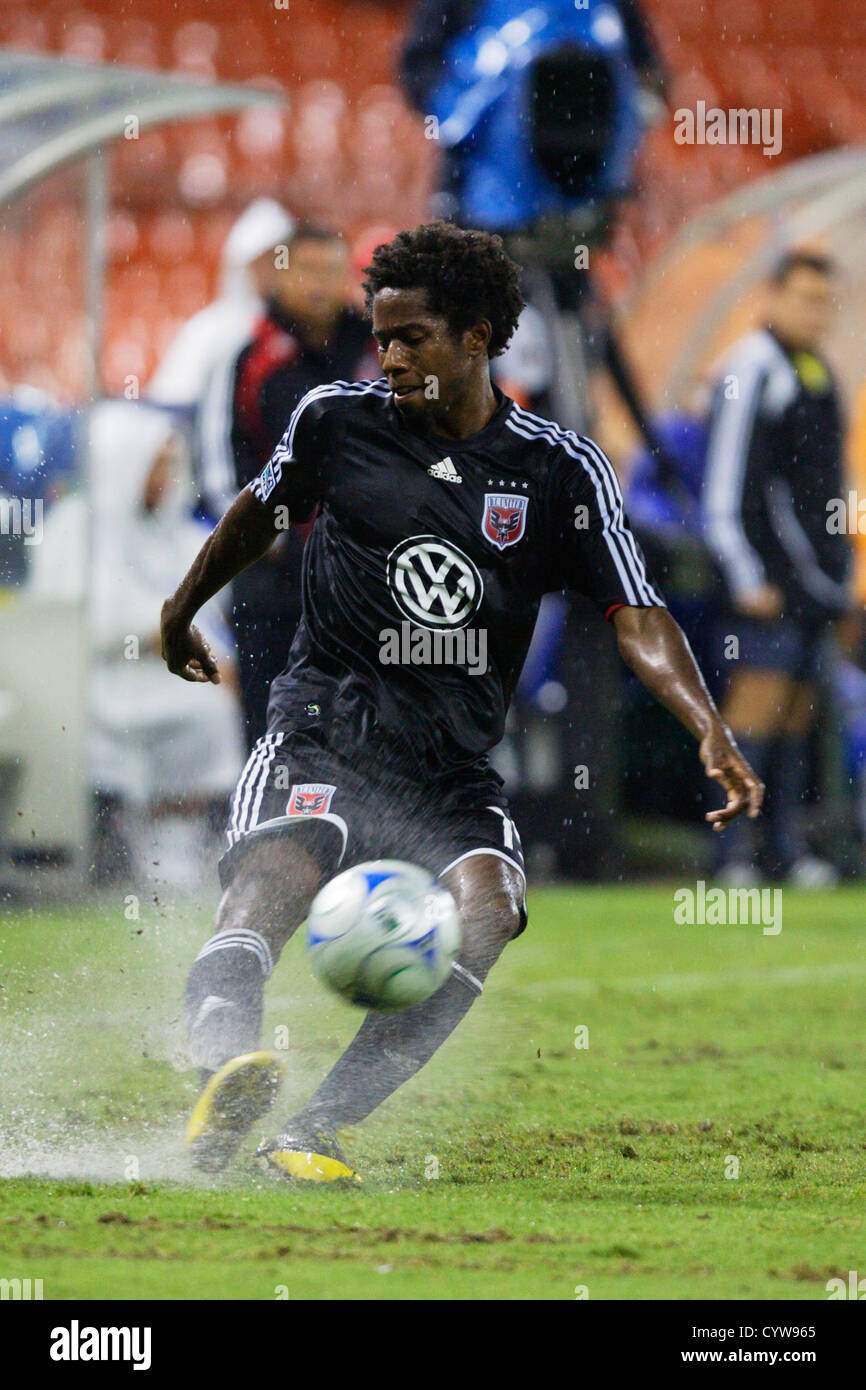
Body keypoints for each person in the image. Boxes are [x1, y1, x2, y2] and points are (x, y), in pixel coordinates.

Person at [160, 222, 761, 1181]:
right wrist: (180, 609)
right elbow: (254, 513)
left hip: (448, 765)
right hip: (324, 730)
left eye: (413, 338)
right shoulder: (335, 421)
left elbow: (636, 615)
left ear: (477, 339)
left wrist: (711, 729)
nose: (389, 357)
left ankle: (309, 1132)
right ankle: (220, 1069)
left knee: (490, 906)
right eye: (381, 336)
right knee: (272, 879)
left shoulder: (559, 470)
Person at [31, 400, 245, 886]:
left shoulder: (181, 534)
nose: (165, 476)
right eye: (155, 463)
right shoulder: (75, 527)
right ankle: (115, 842)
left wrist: (215, 659)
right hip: (94, 678)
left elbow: (208, 617)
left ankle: (173, 838)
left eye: (171, 463)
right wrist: (160, 631)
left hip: (172, 678)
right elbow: (80, 619)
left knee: (209, 711)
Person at [702, 251, 852, 886]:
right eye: (804, 298)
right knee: (754, 710)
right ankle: (730, 853)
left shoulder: (818, 371)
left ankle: (784, 850)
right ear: (773, 297)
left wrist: (838, 574)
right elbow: (726, 481)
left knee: (796, 713)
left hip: (814, 579)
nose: (815, 312)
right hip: (765, 577)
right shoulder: (752, 366)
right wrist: (744, 573)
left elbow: (826, 487)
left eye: (825, 300)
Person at [197, 222, 376, 747]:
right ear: (282, 273)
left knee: (355, 732)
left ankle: (354, 829)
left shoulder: (377, 350)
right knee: (270, 728)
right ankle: (268, 827)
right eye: (307, 269)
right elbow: (217, 463)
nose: (319, 283)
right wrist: (266, 541)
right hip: (272, 587)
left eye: (331, 270)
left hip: (361, 580)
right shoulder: (249, 356)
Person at [146, 198, 296, 411]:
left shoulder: (308, 329)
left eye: (280, 257)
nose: (275, 269)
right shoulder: (209, 330)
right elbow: (171, 406)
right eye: (265, 259)